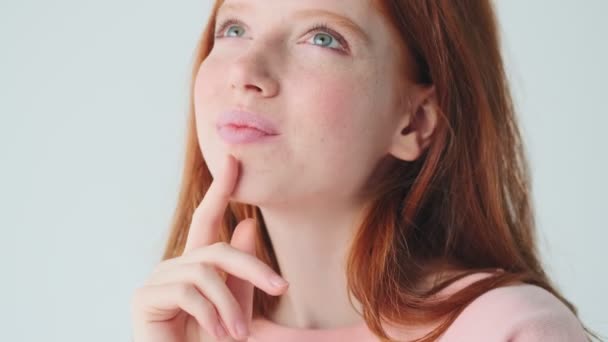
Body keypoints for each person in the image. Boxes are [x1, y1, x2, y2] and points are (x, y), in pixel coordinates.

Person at [130, 1, 600, 341]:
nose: (245, 70)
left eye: (322, 38)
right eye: (234, 28)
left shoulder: (509, 330)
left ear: (414, 121)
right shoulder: (190, 331)